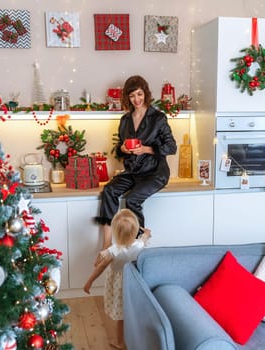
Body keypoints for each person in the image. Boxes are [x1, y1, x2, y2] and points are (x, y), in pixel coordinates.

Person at [95, 75, 177, 249]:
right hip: (133, 171)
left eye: (139, 94)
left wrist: (146, 149)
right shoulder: (125, 120)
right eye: (132, 96)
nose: (136, 99)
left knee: (132, 199)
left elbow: (171, 147)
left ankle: (138, 243)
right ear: (127, 97)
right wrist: (122, 149)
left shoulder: (158, 118)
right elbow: (119, 148)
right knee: (109, 190)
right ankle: (106, 244)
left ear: (145, 93)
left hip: (155, 172)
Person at [84, 209, 151, 350]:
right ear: (135, 231)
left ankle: (120, 343)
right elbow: (144, 239)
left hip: (118, 285)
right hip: (134, 282)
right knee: (133, 311)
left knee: (121, 317)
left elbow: (100, 267)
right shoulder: (139, 245)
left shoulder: (114, 250)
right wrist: (146, 233)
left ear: (115, 232)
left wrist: (89, 281)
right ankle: (138, 338)